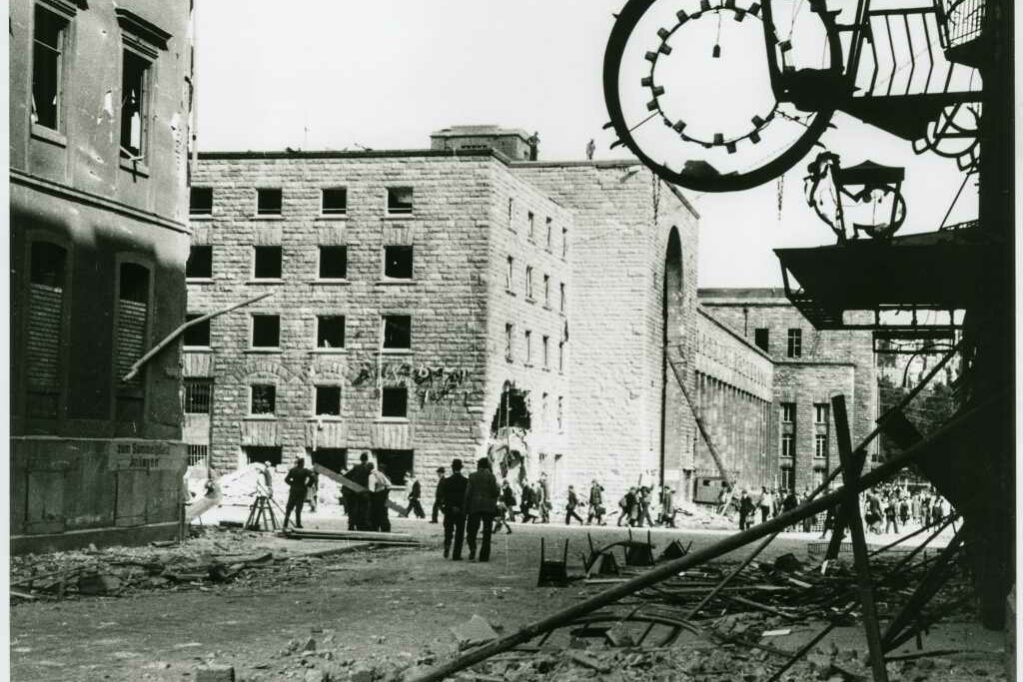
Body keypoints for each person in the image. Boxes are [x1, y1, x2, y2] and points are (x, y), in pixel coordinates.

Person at [465, 457, 500, 562]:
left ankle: (473, 548)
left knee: (471, 530)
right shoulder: (491, 477)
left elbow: (468, 493)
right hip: (488, 507)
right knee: (487, 532)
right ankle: (484, 556)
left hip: (474, 506)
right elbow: (495, 492)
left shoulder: (472, 476)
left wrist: (466, 507)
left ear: (479, 465)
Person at [438, 458, 468, 560]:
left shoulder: (446, 481)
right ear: (461, 468)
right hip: (460, 510)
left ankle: (447, 545)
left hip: (449, 510)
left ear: (452, 468)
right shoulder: (465, 481)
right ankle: (456, 554)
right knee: (459, 533)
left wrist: (444, 508)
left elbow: (442, 496)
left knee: (448, 531)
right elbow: (466, 497)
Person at [282, 457, 314, 530]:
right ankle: (298, 524)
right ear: (302, 463)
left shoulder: (292, 470)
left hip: (293, 490)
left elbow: (286, 479)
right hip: (302, 490)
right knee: (299, 508)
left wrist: (292, 484)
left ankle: (285, 523)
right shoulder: (305, 471)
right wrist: (308, 484)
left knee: (289, 507)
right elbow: (313, 478)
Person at [345, 452, 372, 530]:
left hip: (355, 491)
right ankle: (362, 525)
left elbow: (346, 476)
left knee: (354, 509)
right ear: (367, 459)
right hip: (365, 492)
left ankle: (351, 525)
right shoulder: (369, 469)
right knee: (364, 509)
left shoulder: (356, 468)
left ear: (360, 459)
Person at [368, 463, 392, 532]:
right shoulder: (383, 475)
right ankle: (385, 529)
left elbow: (371, 489)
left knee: (375, 514)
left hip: (375, 497)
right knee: (383, 514)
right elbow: (389, 485)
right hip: (383, 497)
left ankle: (375, 527)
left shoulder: (372, 476)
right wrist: (384, 493)